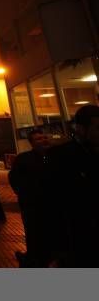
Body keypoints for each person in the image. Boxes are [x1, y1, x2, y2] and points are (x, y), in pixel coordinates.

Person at [44, 105, 99, 267]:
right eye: (97, 128)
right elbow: (52, 204)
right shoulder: (61, 157)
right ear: (81, 129)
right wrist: (57, 251)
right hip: (78, 238)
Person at [8, 128, 51, 266]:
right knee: (33, 232)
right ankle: (33, 259)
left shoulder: (55, 156)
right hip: (31, 204)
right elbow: (13, 178)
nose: (43, 140)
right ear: (31, 143)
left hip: (51, 203)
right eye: (38, 139)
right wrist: (23, 193)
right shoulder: (23, 159)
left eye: (44, 137)